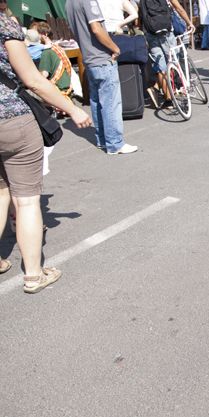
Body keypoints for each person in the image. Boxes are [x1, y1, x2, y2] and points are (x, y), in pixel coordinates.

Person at [1, 13, 92, 293]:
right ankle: (33, 275)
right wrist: (73, 109)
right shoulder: (4, 25)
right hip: (11, 119)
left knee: (1, 192)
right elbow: (33, 79)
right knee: (26, 201)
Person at [66, 0, 138, 154]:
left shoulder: (68, 3)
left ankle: (103, 140)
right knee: (111, 102)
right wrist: (115, 48)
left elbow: (76, 30)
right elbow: (96, 28)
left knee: (97, 101)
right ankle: (115, 143)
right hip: (101, 57)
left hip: (88, 57)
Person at [141, 0, 194, 107]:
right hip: (166, 33)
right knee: (174, 62)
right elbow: (179, 9)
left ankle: (167, 99)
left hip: (151, 34)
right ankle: (182, 89)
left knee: (162, 68)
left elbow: (139, 18)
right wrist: (189, 23)